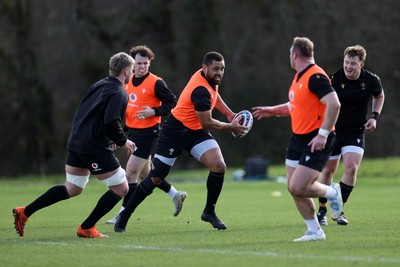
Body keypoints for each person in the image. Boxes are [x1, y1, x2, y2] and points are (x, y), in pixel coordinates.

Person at [113, 51, 248, 233]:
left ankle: (209, 212)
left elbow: (214, 97)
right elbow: (206, 122)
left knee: (219, 165)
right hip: (175, 131)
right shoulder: (200, 89)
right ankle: (125, 215)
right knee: (155, 177)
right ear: (205, 67)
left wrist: (230, 114)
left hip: (195, 132)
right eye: (216, 69)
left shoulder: (210, 80)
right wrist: (230, 126)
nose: (220, 72)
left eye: (222, 69)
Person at [12, 52, 136, 238]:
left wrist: (109, 138)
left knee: (73, 187)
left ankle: (25, 212)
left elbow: (92, 114)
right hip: (92, 146)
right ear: (126, 71)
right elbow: (111, 121)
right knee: (121, 188)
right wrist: (122, 140)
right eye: (132, 70)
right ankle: (87, 227)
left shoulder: (98, 85)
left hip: (77, 141)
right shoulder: (119, 92)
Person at [252, 37, 343, 242]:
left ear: (294, 54)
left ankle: (332, 192)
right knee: (293, 188)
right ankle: (315, 231)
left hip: (315, 139)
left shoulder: (316, 76)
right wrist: (272, 110)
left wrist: (323, 134)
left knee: (298, 186)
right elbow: (295, 106)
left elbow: (334, 104)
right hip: (297, 140)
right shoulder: (298, 78)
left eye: (289, 54)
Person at [105, 45, 187, 224]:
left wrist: (155, 111)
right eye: (139, 63)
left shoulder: (156, 82)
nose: (142, 67)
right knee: (146, 175)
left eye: (145, 63)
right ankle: (175, 194)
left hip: (149, 134)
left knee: (130, 173)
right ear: (132, 64)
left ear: (149, 64)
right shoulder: (127, 82)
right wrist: (117, 135)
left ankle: (122, 214)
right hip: (133, 133)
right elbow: (125, 112)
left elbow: (173, 103)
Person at [317, 45, 385, 226]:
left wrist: (374, 117)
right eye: (346, 62)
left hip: (355, 130)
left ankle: (339, 210)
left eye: (353, 63)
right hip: (333, 130)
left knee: (352, 168)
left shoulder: (371, 80)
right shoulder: (334, 79)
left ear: (361, 64)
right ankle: (322, 210)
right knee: (328, 171)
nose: (348, 66)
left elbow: (379, 96)